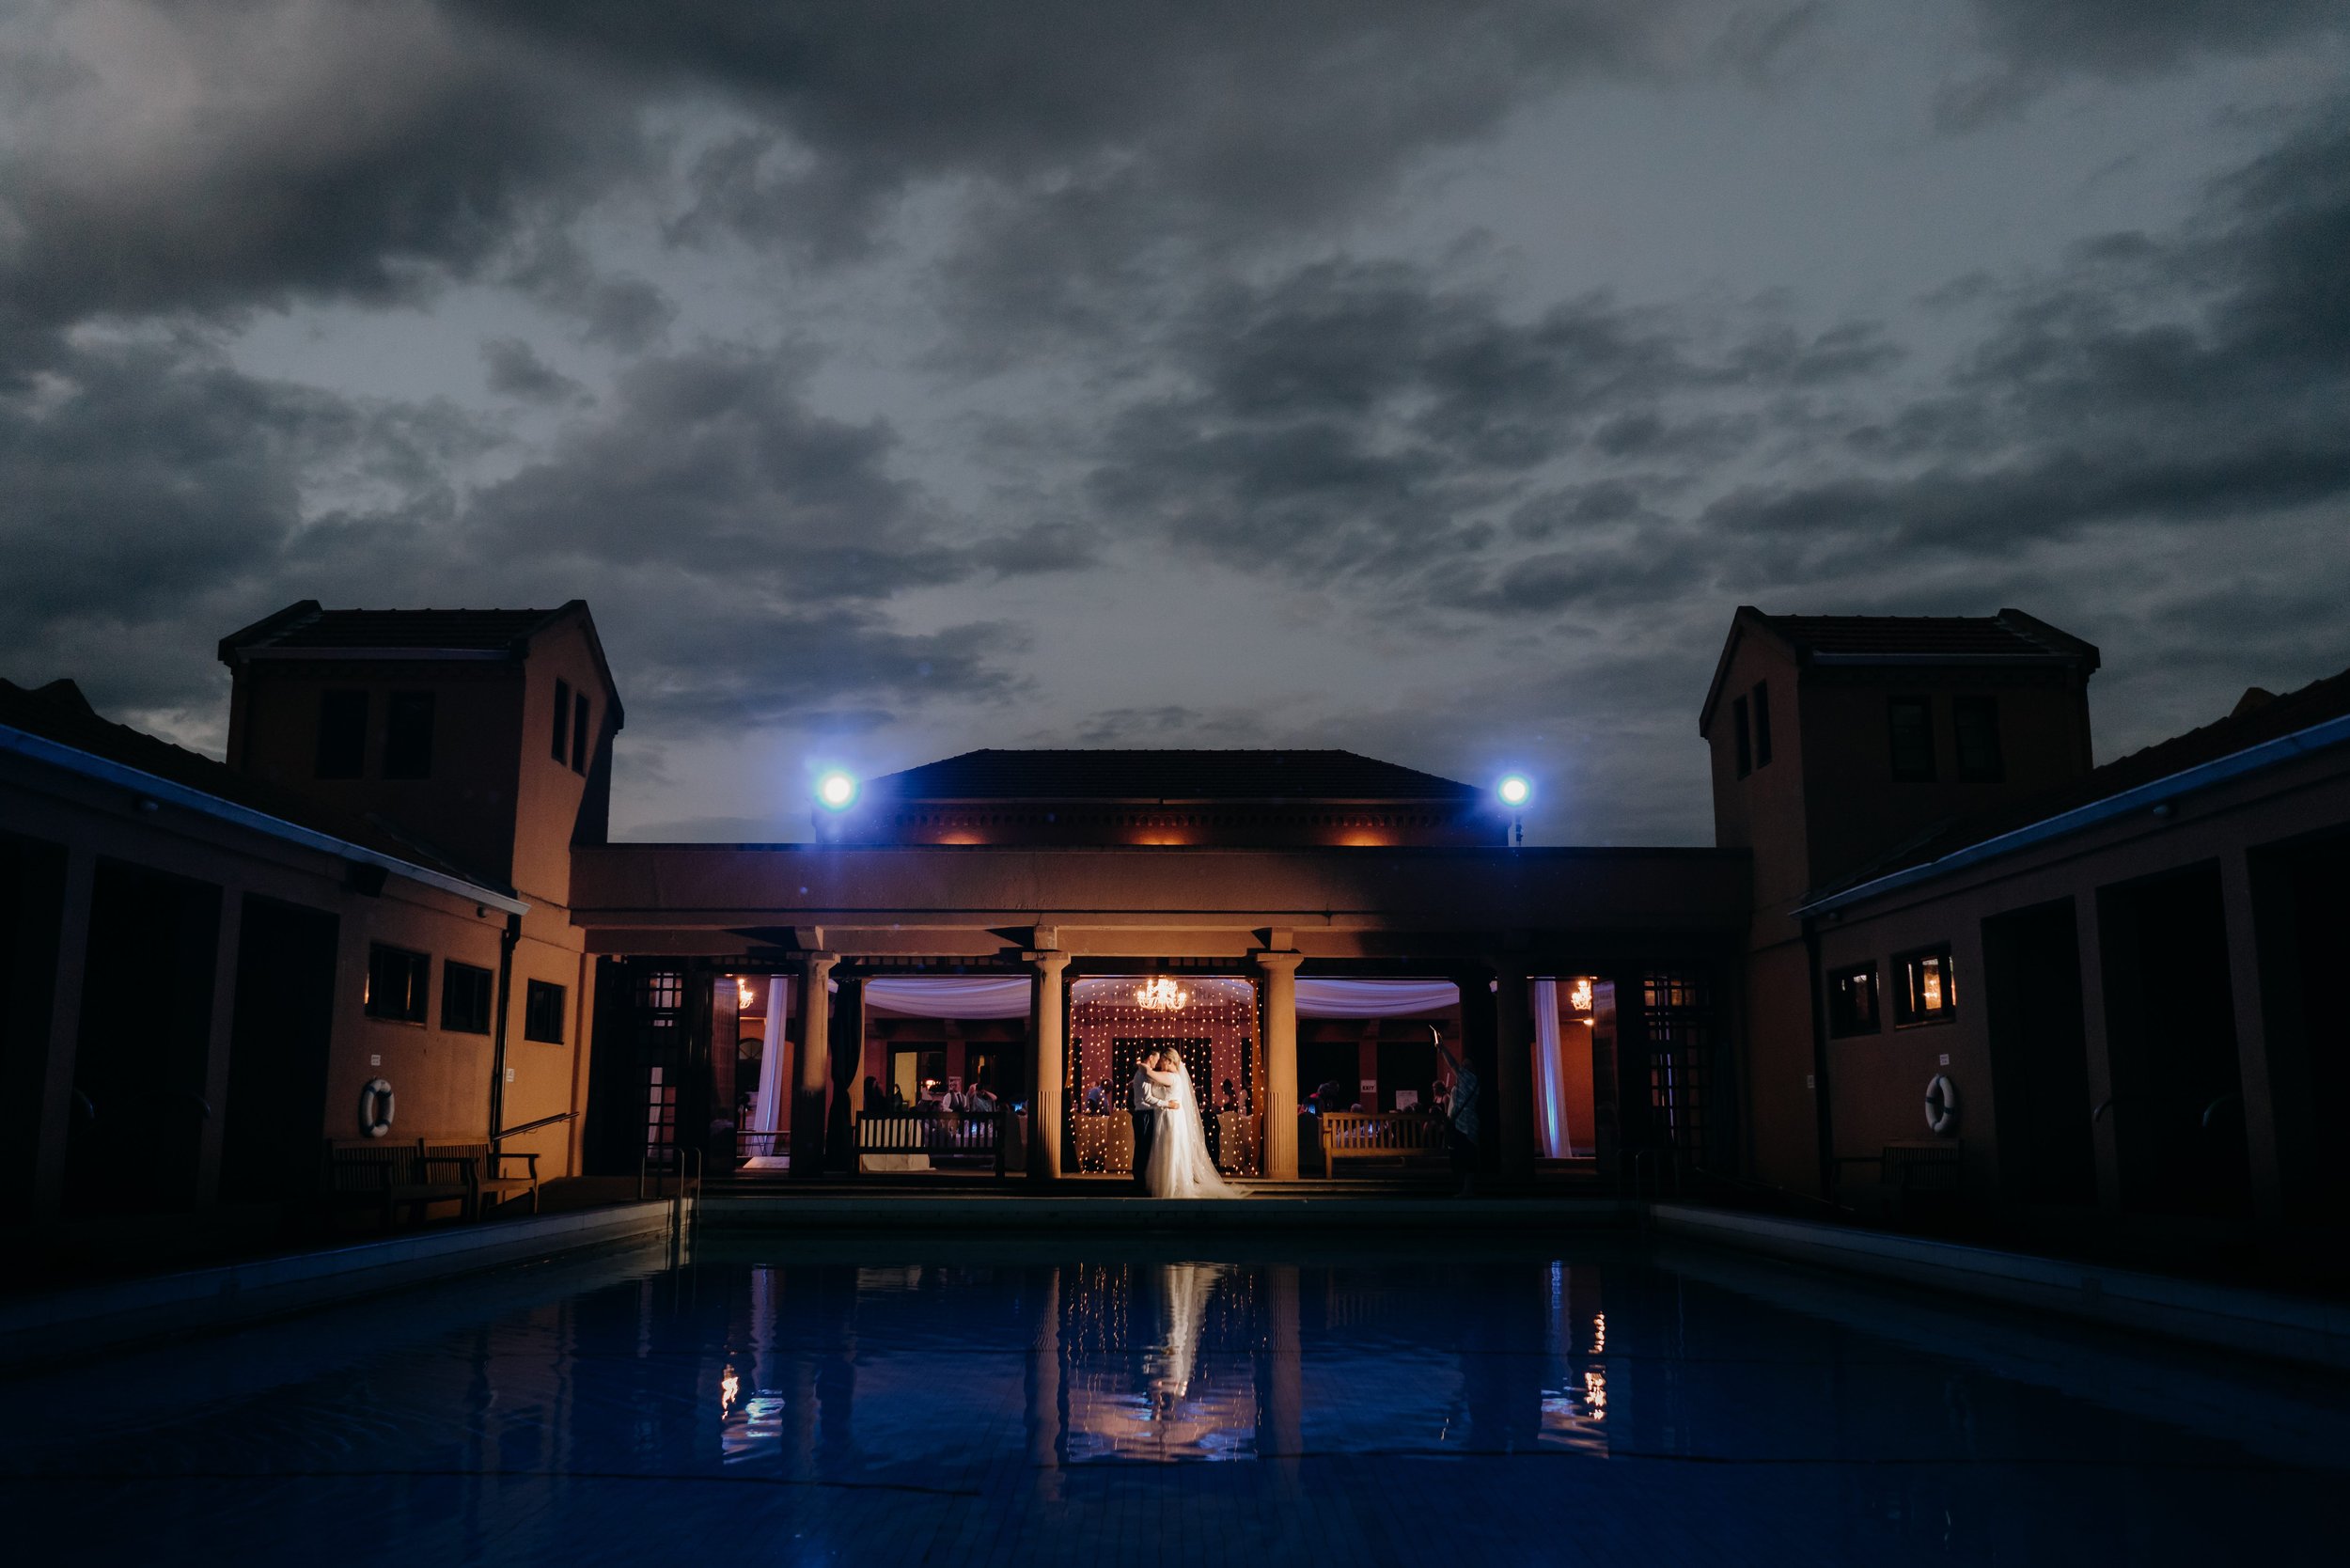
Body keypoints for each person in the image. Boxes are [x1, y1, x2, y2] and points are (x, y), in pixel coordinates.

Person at [1142, 1048, 1245, 1200]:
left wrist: (1142, 1064)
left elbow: (1148, 1073)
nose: (1159, 1063)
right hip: (1166, 1116)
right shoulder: (1171, 1076)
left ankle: (1170, 1187)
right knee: (1166, 1150)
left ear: (1169, 1061)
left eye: (1162, 1060)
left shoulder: (1171, 1077)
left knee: (1170, 1150)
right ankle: (1167, 1185)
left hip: (1170, 1118)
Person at [1432, 1028, 1480, 1197]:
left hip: (1464, 1124)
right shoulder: (1466, 1082)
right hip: (1462, 1123)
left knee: (1465, 1155)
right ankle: (1464, 1187)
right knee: (1461, 1154)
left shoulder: (1469, 1079)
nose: (1463, 1066)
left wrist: (1443, 1048)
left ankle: (1467, 1189)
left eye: (1466, 1065)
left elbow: (1452, 1064)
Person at [1131, 1049, 1178, 1190]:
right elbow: (1148, 1098)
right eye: (1156, 1059)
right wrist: (1167, 1104)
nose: (1157, 1063)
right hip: (1143, 1115)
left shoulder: (1144, 1072)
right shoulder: (1143, 1074)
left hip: (1145, 1114)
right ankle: (1139, 1182)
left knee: (1144, 1149)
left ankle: (1141, 1180)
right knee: (1142, 1149)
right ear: (1150, 1057)